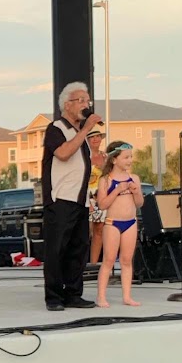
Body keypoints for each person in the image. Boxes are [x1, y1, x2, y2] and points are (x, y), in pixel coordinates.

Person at [41, 82, 102, 311]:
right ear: (67, 104)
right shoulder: (56, 128)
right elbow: (64, 153)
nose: (86, 105)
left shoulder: (79, 132)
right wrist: (86, 129)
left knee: (78, 249)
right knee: (57, 249)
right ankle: (54, 297)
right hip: (61, 199)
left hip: (80, 200)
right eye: (81, 101)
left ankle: (74, 294)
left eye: (88, 101)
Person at [95, 141, 144, 309]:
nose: (130, 160)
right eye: (126, 157)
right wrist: (117, 190)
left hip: (130, 223)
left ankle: (127, 296)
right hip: (112, 223)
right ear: (114, 159)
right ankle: (101, 296)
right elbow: (102, 204)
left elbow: (139, 203)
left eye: (131, 157)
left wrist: (136, 192)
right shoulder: (106, 180)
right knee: (108, 260)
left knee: (126, 260)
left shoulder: (134, 178)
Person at [86, 126, 106, 263]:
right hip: (87, 197)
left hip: (102, 197)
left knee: (99, 231)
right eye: (92, 137)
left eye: (98, 136)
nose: (95, 139)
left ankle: (94, 263)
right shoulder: (84, 157)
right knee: (86, 231)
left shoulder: (106, 157)